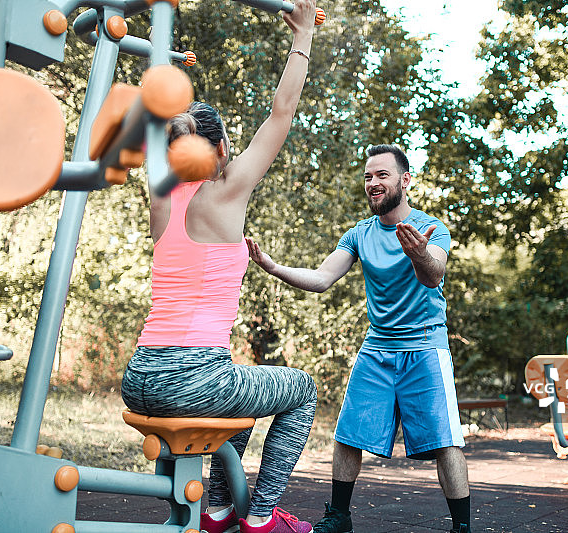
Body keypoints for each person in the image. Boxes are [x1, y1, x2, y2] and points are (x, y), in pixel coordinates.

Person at [120, 3, 319, 533]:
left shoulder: (159, 193)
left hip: (140, 375)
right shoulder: (227, 193)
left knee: (240, 392)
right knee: (299, 388)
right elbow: (282, 113)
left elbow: (154, 126)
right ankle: (260, 515)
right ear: (223, 147)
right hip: (192, 377)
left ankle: (215, 509)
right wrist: (302, 37)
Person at [246, 144, 471, 533]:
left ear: (405, 180)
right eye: (368, 176)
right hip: (378, 347)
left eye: (382, 175)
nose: (373, 182)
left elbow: (433, 275)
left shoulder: (432, 227)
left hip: (424, 347)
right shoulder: (359, 234)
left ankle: (462, 527)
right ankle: (339, 516)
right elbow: (321, 279)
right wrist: (272, 266)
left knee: (446, 440)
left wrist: (419, 253)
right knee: (348, 433)